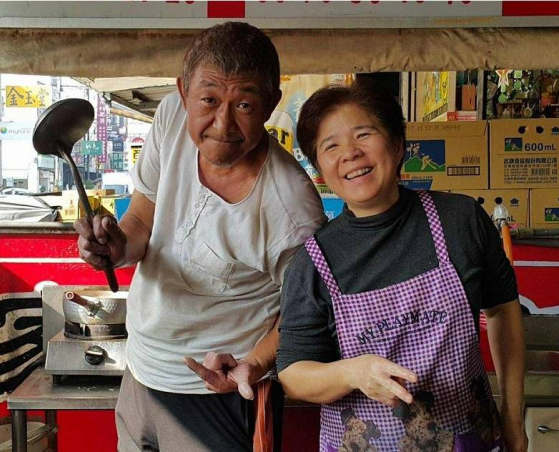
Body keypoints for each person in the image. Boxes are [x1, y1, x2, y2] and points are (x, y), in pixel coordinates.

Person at [74, 22, 326, 452]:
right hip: (141, 371)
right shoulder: (172, 117)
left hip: (221, 395)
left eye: (244, 104)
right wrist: (116, 248)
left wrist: (254, 364)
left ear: (270, 105)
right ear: (183, 91)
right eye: (208, 100)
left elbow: (306, 312)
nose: (222, 123)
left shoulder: (291, 207)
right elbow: (141, 219)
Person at [277, 79, 527, 452]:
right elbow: (293, 374)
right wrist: (353, 372)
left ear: (397, 144)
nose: (350, 153)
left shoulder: (460, 220)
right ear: (319, 170)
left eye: (364, 134)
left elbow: (503, 310)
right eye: (331, 146)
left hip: (470, 440)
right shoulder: (313, 262)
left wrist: (512, 415)